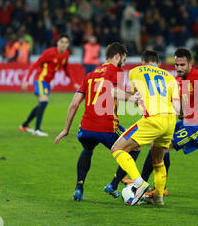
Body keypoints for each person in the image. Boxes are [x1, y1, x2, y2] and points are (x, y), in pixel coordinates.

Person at [111, 47, 198, 197]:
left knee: (161, 149)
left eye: (182, 65)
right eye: (176, 65)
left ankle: (145, 185)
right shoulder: (176, 80)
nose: (178, 68)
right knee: (157, 146)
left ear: (190, 64)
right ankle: (156, 188)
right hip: (185, 121)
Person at [54, 42, 140, 201]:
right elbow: (113, 91)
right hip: (107, 127)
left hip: (85, 128)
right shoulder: (116, 71)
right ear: (117, 56)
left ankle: (79, 187)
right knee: (135, 147)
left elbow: (74, 104)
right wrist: (131, 98)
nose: (124, 63)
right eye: (124, 59)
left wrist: (66, 129)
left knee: (88, 149)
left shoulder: (89, 75)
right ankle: (113, 185)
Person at [110, 50, 181, 206]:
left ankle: (139, 183)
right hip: (170, 121)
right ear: (158, 63)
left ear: (143, 62)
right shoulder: (170, 77)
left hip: (152, 119)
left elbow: (137, 98)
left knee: (117, 148)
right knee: (158, 159)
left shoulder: (136, 71)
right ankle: (158, 198)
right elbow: (177, 106)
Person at [20, 34, 73, 136]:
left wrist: (74, 82)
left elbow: (66, 69)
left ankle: (24, 125)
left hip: (47, 83)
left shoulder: (66, 54)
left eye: (66, 42)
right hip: (40, 79)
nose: (63, 44)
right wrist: (26, 80)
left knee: (42, 103)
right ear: (57, 43)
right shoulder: (49, 53)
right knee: (44, 101)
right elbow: (34, 65)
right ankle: (37, 130)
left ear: (68, 44)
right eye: (61, 42)